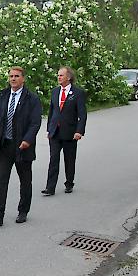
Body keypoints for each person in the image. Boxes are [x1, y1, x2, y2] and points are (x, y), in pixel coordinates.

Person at [0, 67, 41, 226]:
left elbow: (35, 122)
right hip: (5, 144)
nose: (13, 79)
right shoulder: (3, 95)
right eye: (11, 76)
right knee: (2, 179)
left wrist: (28, 140)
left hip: (22, 145)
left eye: (17, 76)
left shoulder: (31, 98)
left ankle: (23, 210)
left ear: (23, 79)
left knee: (25, 180)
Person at [42, 66, 87, 196]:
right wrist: (49, 129)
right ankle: (50, 187)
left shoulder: (77, 93)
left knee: (69, 159)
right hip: (55, 132)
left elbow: (82, 114)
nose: (59, 77)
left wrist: (79, 131)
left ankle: (69, 183)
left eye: (61, 75)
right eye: (58, 75)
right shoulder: (55, 92)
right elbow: (52, 111)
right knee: (53, 159)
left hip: (70, 132)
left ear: (69, 77)